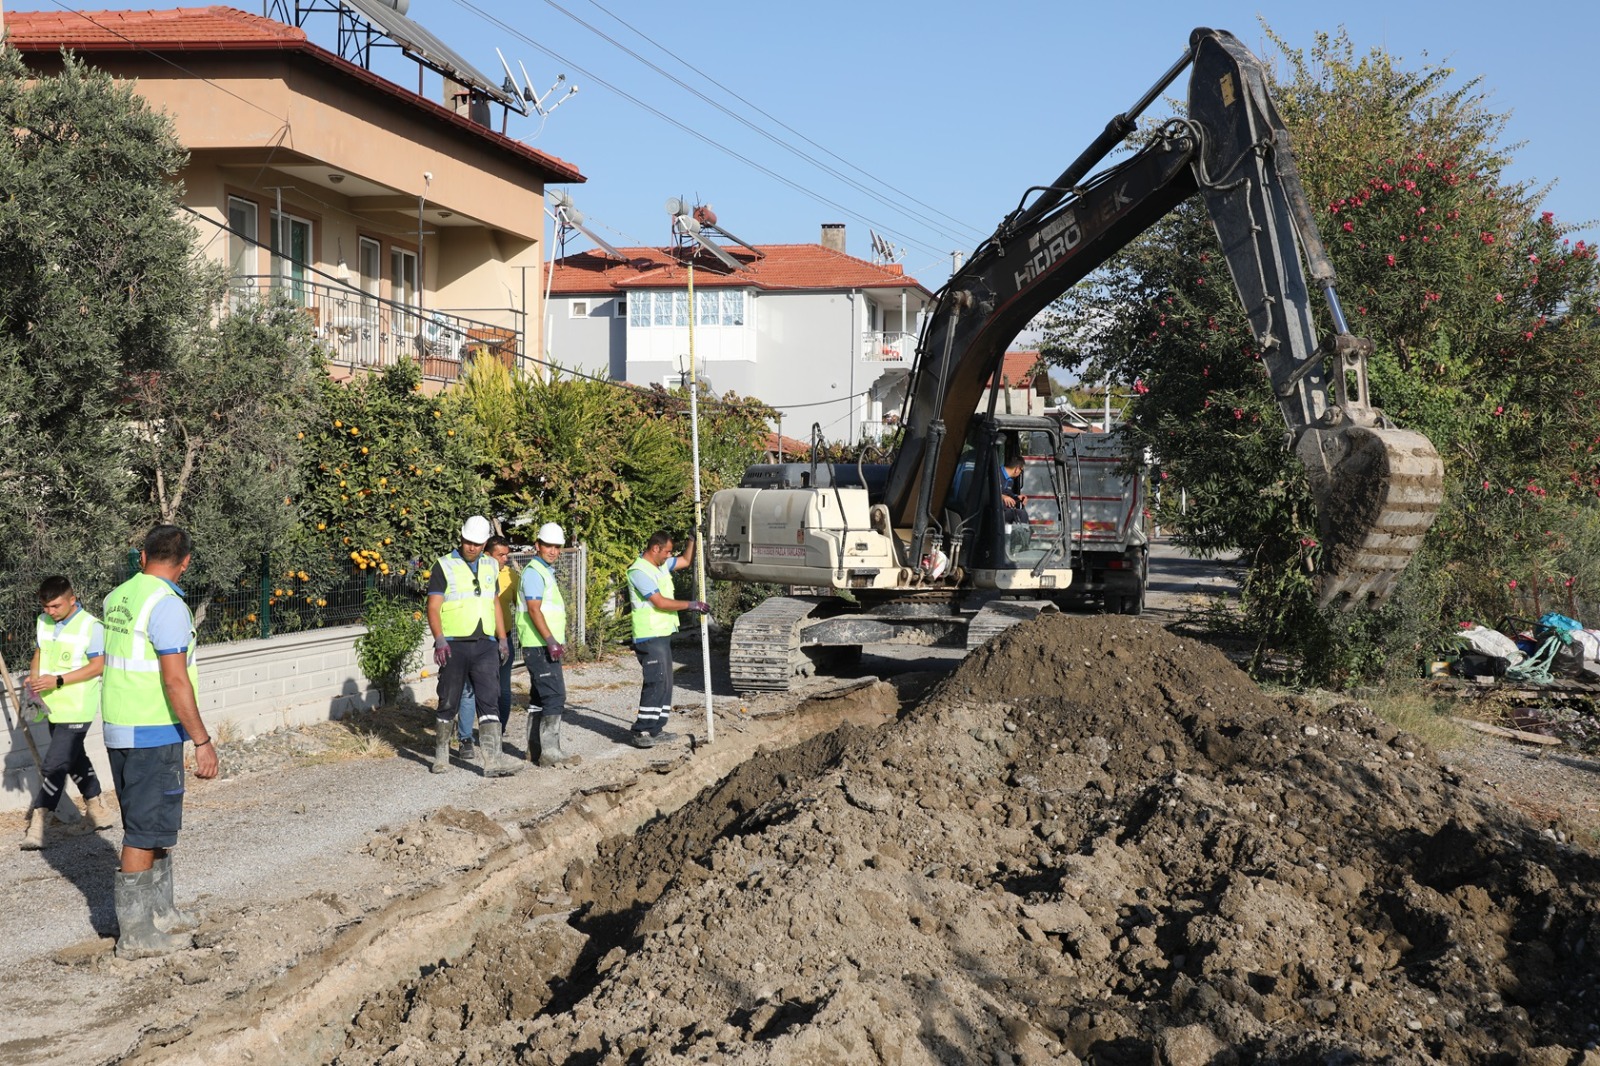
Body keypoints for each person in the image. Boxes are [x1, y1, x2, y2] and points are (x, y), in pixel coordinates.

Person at [101, 525, 219, 959]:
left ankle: (161, 912)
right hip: (152, 730)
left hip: (120, 726)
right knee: (143, 831)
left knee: (153, 825)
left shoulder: (119, 597)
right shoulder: (167, 605)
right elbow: (175, 678)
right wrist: (201, 739)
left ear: (143, 555)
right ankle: (135, 934)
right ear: (185, 561)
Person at [20, 575, 112, 850]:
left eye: (56, 606)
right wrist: (35, 679)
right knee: (74, 759)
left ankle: (38, 823)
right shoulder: (44, 621)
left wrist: (57, 680)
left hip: (77, 705)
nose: (50, 612)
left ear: (72, 599)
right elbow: (40, 650)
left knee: (55, 764)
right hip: (51, 705)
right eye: (46, 606)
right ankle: (98, 811)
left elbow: (98, 666)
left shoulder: (91, 626)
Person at [426, 515, 512, 776]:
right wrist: (439, 638)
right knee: (449, 700)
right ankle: (441, 756)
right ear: (461, 538)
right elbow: (433, 606)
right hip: (454, 643)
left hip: (485, 642)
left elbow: (494, 601)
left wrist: (503, 638)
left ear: (485, 542)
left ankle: (493, 760)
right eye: (467, 541)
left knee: (489, 700)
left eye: (477, 543)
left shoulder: (490, 565)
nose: (472, 547)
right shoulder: (444, 565)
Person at [624, 530, 708, 748]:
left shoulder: (660, 565)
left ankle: (656, 728)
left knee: (665, 682)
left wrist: (692, 539)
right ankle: (642, 731)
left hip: (662, 633)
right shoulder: (639, 572)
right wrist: (691, 605)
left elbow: (687, 560)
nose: (669, 556)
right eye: (667, 551)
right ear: (655, 549)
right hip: (648, 634)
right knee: (655, 680)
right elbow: (659, 602)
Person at [518, 522, 578, 766]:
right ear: (537, 545)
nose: (553, 551)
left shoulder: (544, 572)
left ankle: (535, 749)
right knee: (554, 695)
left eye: (557, 546)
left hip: (541, 643)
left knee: (539, 697)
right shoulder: (534, 572)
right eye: (548, 546)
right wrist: (551, 640)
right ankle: (550, 753)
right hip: (540, 644)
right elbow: (534, 610)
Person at [456, 535, 518, 759]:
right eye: (501, 555)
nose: (505, 559)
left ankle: (496, 734)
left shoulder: (511, 576)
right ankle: (465, 738)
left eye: (507, 555)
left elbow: (521, 606)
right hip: (478, 641)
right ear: (487, 554)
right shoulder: (475, 572)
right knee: (469, 691)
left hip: (502, 640)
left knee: (502, 690)